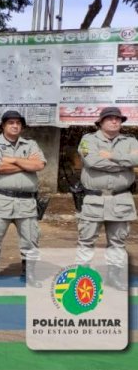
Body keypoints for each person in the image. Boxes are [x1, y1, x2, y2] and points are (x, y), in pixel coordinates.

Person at [0, 111, 46, 286]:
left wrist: (13, 160)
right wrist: (26, 165)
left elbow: (39, 164)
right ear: (3, 125)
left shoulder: (31, 144)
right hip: (0, 199)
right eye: (11, 122)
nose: (15, 126)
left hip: (26, 202)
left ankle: (28, 275)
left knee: (30, 240)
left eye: (18, 123)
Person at [75, 107, 137, 291]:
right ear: (100, 122)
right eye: (109, 118)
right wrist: (124, 164)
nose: (114, 121)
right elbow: (92, 161)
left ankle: (114, 277)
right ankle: (82, 279)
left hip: (121, 199)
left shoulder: (131, 141)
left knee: (118, 241)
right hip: (94, 199)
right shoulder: (88, 140)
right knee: (86, 240)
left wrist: (112, 156)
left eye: (118, 119)